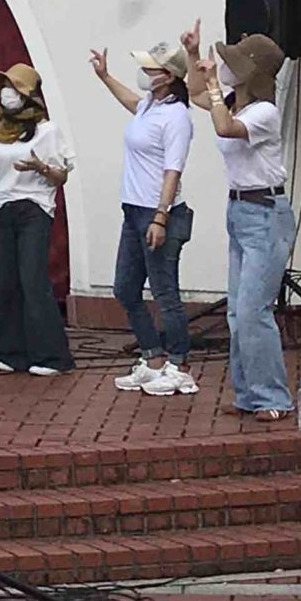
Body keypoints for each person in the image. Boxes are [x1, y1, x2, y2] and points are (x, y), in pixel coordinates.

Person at [189, 26, 294, 422]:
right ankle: (249, 395)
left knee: (254, 310)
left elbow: (224, 127)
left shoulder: (264, 113)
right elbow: (196, 94)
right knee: (237, 311)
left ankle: (274, 398)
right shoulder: (234, 103)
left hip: (266, 213)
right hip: (240, 212)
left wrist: (214, 82)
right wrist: (193, 54)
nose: (226, 70)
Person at [92, 40, 198, 396]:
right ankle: (153, 358)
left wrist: (160, 217)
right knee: (125, 288)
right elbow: (131, 103)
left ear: (168, 77)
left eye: (151, 69)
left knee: (165, 292)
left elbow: (173, 171)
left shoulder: (177, 117)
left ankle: (180, 364)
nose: (145, 73)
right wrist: (105, 76)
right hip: (133, 211)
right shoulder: (151, 106)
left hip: (158, 213)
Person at [0, 63, 75, 376]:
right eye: (4, 87)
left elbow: (61, 177)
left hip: (33, 208)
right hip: (1, 207)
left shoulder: (46, 130)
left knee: (33, 279)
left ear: (28, 94)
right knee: (5, 282)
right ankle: (12, 352)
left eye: (14, 88)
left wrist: (40, 167)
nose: (7, 94)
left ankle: (52, 356)